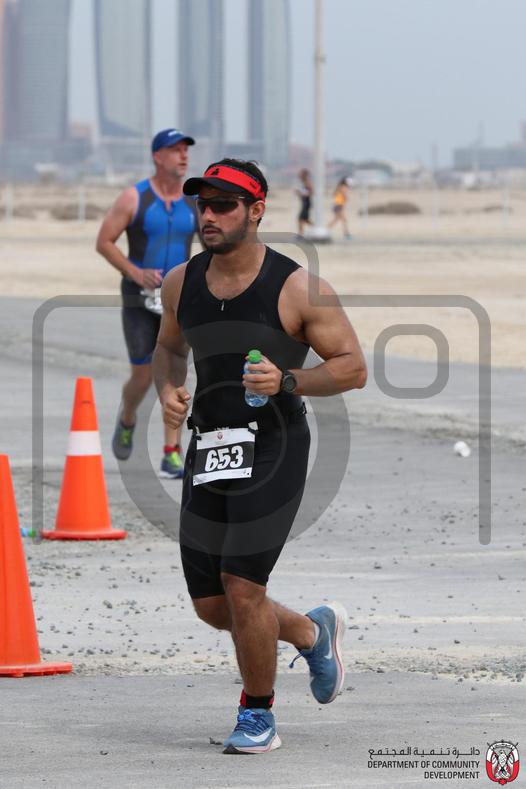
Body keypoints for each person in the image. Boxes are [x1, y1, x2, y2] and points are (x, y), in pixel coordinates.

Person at [152, 158, 367, 754]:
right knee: (212, 604)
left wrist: (289, 381)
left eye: (224, 204)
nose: (209, 215)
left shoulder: (298, 288)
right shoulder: (180, 282)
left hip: (274, 446)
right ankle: (310, 631)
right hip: (209, 446)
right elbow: (168, 348)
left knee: (242, 587)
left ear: (256, 211)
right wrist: (168, 390)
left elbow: (353, 368)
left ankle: (257, 716)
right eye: (203, 204)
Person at [96, 129, 198, 478]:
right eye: (175, 150)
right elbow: (104, 241)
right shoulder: (134, 197)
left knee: (175, 372)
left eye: (186, 150)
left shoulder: (193, 202)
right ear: (157, 156)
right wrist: (135, 272)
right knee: (142, 376)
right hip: (138, 298)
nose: (183, 156)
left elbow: (212, 246)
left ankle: (172, 451)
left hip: (177, 300)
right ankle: (127, 418)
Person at [296, 167, 313, 236]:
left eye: (300, 174)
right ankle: (316, 227)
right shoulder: (303, 182)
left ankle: (301, 234)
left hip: (306, 203)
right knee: (305, 219)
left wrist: (301, 193)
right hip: (304, 202)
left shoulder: (307, 182)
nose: (299, 176)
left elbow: (311, 191)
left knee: (300, 219)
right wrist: (299, 193)